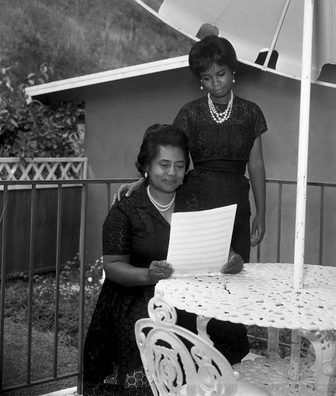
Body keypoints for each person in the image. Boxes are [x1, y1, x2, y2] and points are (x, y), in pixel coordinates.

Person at [83, 124, 246, 396]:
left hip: (193, 295)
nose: (172, 173)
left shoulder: (194, 200)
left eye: (180, 166)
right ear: (147, 166)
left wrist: (234, 260)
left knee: (222, 331)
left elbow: (223, 249)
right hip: (139, 298)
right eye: (164, 164)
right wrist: (148, 274)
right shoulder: (126, 209)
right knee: (151, 352)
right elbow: (112, 267)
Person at [116, 35, 268, 263]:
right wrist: (144, 180)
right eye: (207, 78)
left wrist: (261, 213)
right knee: (197, 271)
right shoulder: (190, 112)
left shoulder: (251, 112)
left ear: (232, 70)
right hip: (196, 204)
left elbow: (256, 165)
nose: (215, 83)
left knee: (236, 275)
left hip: (236, 204)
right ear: (200, 80)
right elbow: (169, 155)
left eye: (221, 74)